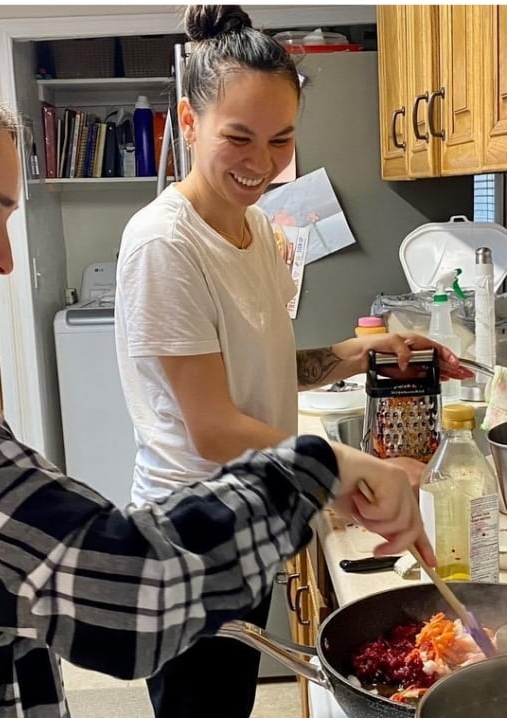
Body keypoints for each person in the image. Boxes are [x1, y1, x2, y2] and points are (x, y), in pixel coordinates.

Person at [0, 45, 432, 718]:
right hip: (189, 515)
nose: (4, 259)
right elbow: (128, 596)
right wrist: (318, 467)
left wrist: (344, 372)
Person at [114, 6, 471, 718]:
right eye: (237, 138)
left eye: (280, 140)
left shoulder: (255, 228)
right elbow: (213, 427)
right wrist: (343, 466)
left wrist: (366, 351)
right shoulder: (165, 246)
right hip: (192, 539)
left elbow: (275, 367)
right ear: (189, 122)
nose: (261, 163)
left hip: (252, 515)